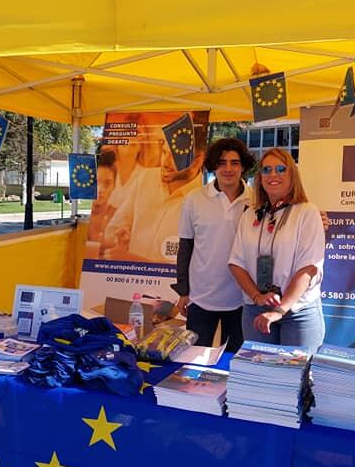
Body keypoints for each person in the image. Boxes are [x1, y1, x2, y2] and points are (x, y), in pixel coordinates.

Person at [229, 147, 326, 349]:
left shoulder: (307, 213)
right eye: (266, 170)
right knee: (261, 374)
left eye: (281, 169)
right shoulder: (250, 215)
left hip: (298, 313)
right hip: (256, 309)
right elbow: (236, 263)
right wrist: (257, 296)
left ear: (292, 175)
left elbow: (308, 269)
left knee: (297, 377)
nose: (273, 174)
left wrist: (280, 310)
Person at [172, 138, 255, 353]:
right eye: (222, 162)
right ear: (213, 166)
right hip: (200, 298)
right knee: (194, 360)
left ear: (243, 166)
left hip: (242, 298)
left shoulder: (256, 200)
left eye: (235, 162)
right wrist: (183, 290)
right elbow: (186, 246)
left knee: (233, 363)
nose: (228, 169)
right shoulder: (194, 199)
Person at [101, 119, 208, 264]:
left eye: (176, 157)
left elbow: (198, 264)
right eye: (164, 152)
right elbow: (111, 231)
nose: (165, 162)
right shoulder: (145, 178)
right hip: (129, 283)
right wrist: (120, 237)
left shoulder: (205, 199)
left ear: (197, 160)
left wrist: (133, 260)